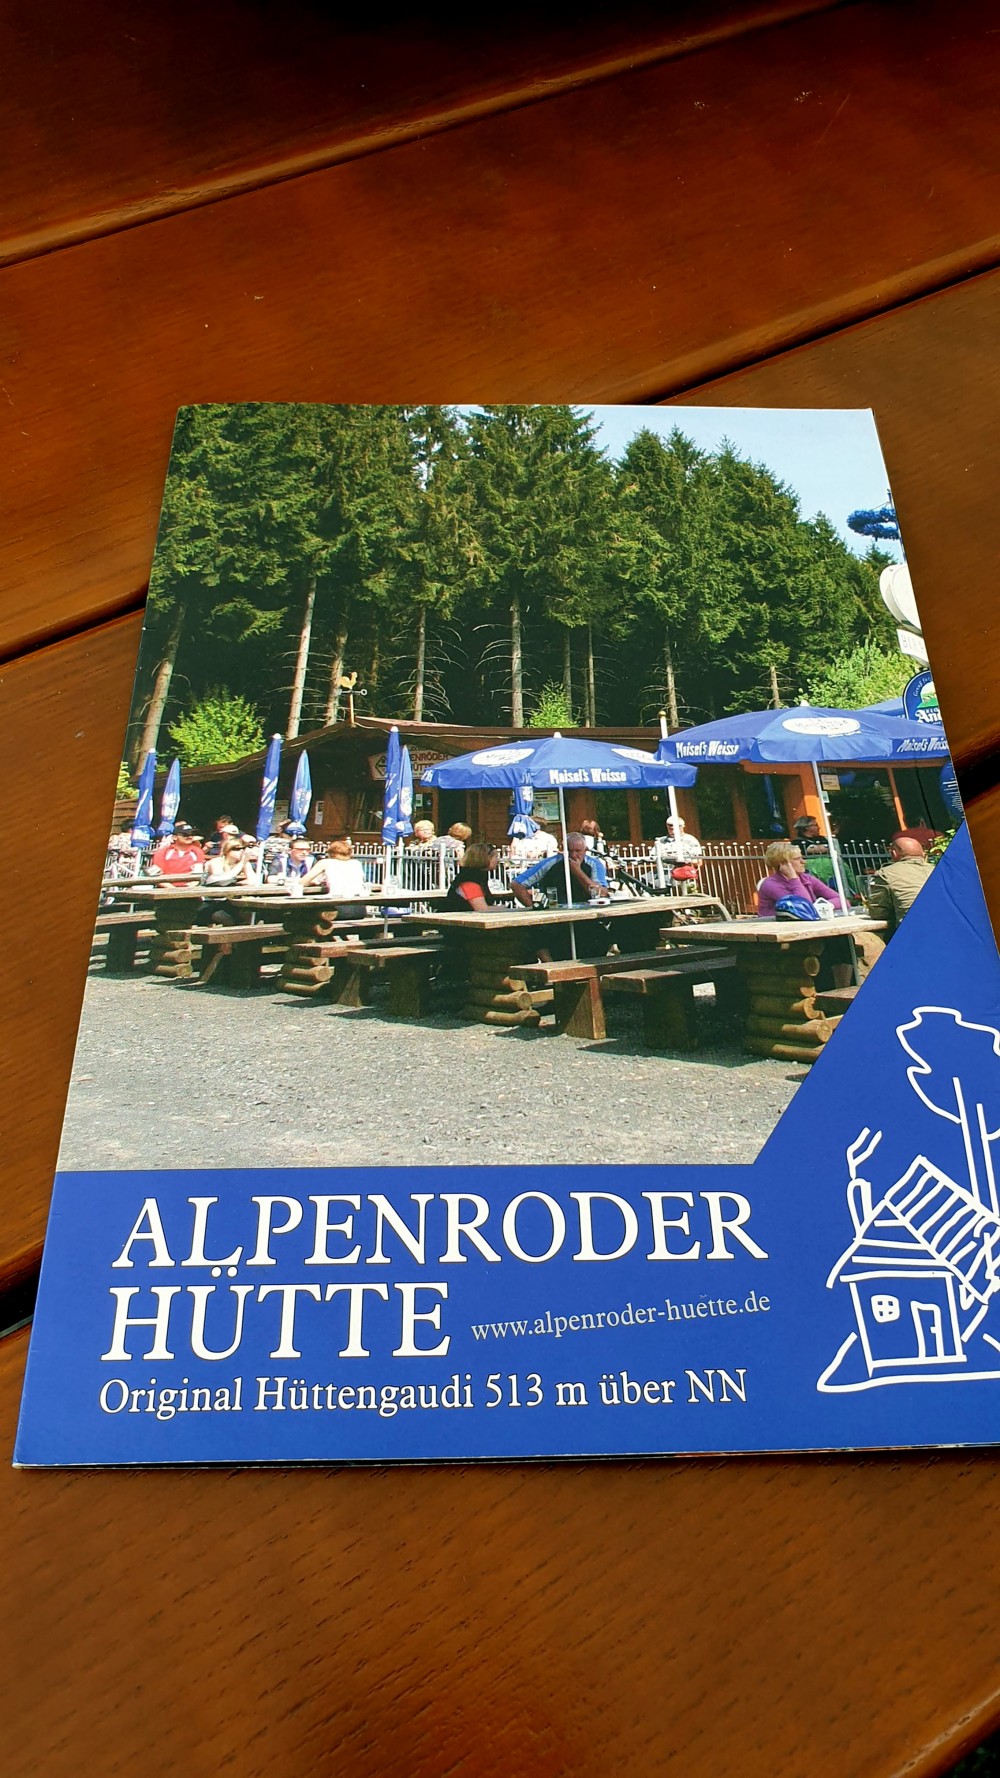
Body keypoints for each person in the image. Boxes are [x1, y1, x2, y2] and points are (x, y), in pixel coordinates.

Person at [512, 832, 607, 908]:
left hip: (587, 912)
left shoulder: (594, 864)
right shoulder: (551, 863)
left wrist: (578, 872)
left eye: (578, 851)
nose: (573, 855)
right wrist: (533, 908)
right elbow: (517, 884)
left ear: (585, 850)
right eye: (569, 850)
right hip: (555, 911)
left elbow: (602, 893)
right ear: (562, 849)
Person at [756, 841, 843, 919]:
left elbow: (842, 900)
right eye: (797, 859)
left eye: (802, 858)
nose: (804, 862)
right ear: (783, 864)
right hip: (774, 926)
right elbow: (802, 908)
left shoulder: (807, 878)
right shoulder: (771, 884)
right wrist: (794, 879)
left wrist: (824, 906)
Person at [866, 835, 934, 935]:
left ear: (893, 853)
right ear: (923, 854)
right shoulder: (940, 870)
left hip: (916, 931)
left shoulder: (886, 873)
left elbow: (878, 913)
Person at [303, 837, 369, 917]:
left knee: (304, 913)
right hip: (359, 909)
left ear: (331, 852)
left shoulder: (325, 862)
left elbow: (302, 882)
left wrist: (312, 882)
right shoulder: (356, 863)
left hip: (337, 909)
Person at [443, 841, 502, 912]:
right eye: (495, 857)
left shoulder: (479, 876)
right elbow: (482, 909)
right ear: (485, 858)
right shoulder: (469, 880)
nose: (498, 860)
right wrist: (508, 910)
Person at [654, 814, 703, 885]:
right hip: (662, 874)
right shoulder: (660, 841)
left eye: (675, 827)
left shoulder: (690, 840)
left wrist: (682, 860)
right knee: (643, 881)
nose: (672, 829)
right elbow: (652, 858)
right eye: (670, 827)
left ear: (682, 826)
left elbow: (698, 861)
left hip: (682, 874)